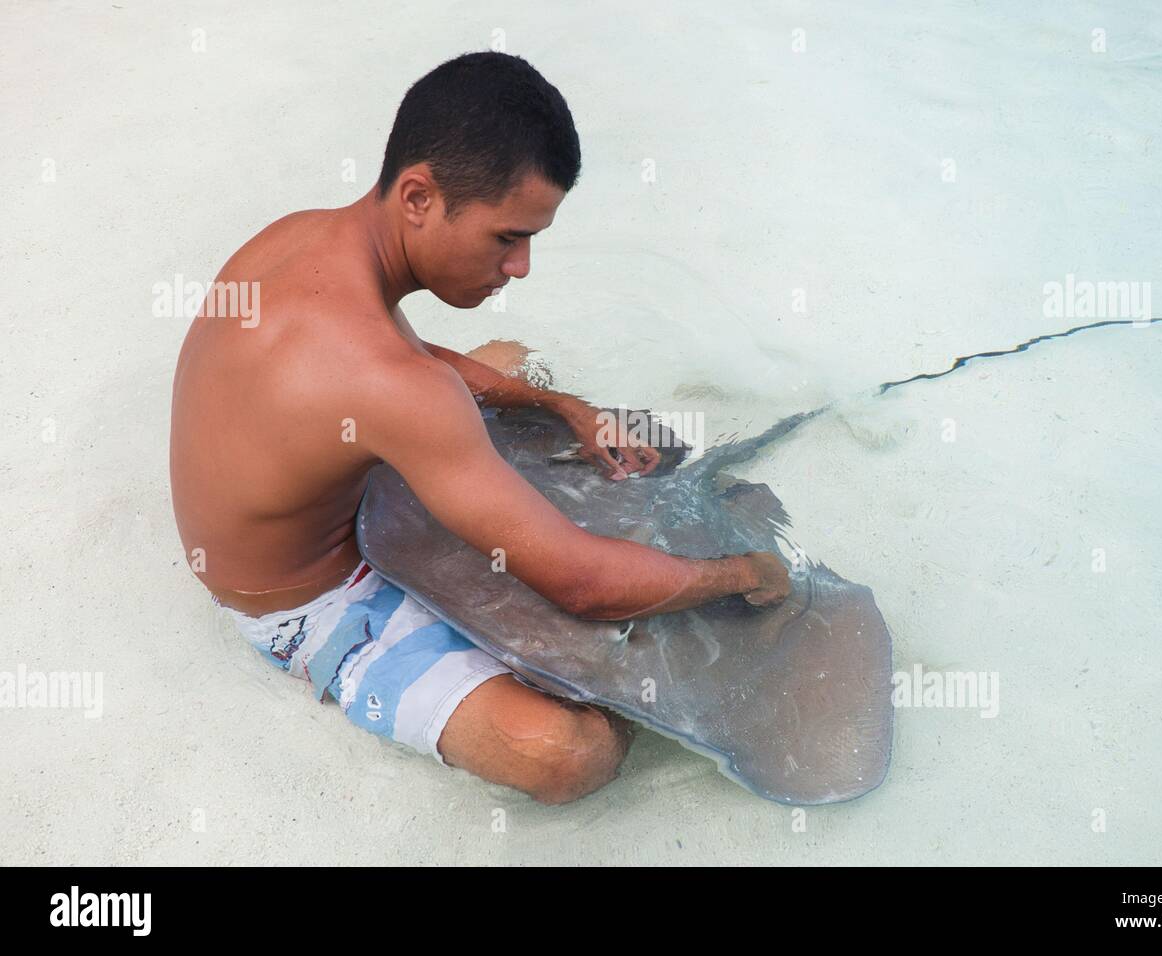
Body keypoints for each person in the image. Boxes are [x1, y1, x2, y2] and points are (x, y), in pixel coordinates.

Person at [169, 51, 790, 805]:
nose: (522, 265)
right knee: (568, 756)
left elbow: (396, 354)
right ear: (419, 196)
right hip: (301, 604)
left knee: (509, 363)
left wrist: (561, 407)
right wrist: (744, 573)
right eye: (506, 238)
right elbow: (585, 585)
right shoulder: (397, 390)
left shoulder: (299, 237)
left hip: (333, 472)